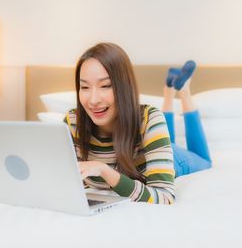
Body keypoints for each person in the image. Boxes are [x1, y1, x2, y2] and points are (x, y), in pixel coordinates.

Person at [64, 43, 211, 205]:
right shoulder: (71, 124)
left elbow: (165, 197)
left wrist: (105, 171)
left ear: (124, 87)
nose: (93, 100)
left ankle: (183, 91)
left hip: (174, 159)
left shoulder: (149, 119)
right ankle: (169, 90)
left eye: (105, 86)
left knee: (205, 161)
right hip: (153, 142)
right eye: (84, 87)